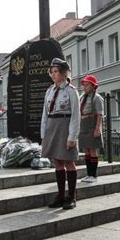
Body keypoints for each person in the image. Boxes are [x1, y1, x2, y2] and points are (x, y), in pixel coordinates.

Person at [40, 58, 80, 210]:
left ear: (64, 73)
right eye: (52, 71)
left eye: (56, 71)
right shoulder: (50, 91)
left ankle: (71, 196)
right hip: (52, 127)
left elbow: (75, 115)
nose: (53, 74)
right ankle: (61, 194)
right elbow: (45, 114)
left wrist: (72, 137)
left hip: (65, 127)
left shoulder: (71, 91)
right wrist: (44, 136)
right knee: (57, 162)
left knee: (68, 161)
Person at [78, 75, 104, 183]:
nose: (85, 87)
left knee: (93, 150)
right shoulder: (82, 97)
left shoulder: (97, 98)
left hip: (92, 125)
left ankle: (93, 175)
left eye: (87, 85)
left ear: (93, 86)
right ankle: (88, 174)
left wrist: (97, 129)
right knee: (86, 150)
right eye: (84, 84)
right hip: (83, 126)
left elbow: (99, 114)